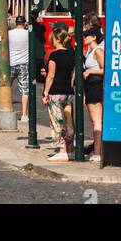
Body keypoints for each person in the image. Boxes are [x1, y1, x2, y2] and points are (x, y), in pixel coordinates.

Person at [42, 25, 75, 159]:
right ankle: (70, 149)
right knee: (69, 120)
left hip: (55, 92)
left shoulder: (54, 55)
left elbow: (51, 76)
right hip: (68, 91)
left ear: (56, 39)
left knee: (57, 121)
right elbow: (72, 75)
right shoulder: (71, 55)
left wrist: (45, 93)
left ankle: (62, 150)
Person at [83, 20, 105, 161]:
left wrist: (90, 71)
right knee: (94, 121)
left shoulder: (98, 51)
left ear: (94, 37)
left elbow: (105, 69)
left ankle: (97, 153)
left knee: (97, 122)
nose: (84, 37)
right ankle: (97, 150)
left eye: (87, 35)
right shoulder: (91, 51)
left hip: (96, 87)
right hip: (90, 88)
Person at [8, 14, 31, 122]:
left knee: (7, 86)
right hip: (24, 64)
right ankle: (24, 114)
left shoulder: (9, 34)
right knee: (25, 90)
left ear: (16, 23)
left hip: (11, 63)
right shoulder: (28, 34)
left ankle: (8, 109)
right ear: (24, 23)